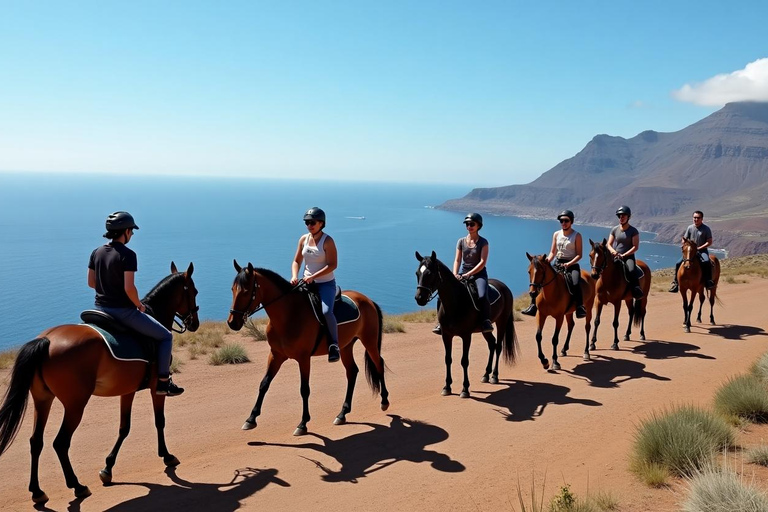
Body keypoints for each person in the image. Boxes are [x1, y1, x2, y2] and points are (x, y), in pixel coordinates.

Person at [88, 211, 183, 396]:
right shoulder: (128, 254)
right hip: (122, 311)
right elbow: (129, 288)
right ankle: (164, 382)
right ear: (126, 232)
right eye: (131, 231)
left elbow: (91, 283)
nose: (131, 234)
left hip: (99, 310)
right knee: (166, 336)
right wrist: (139, 305)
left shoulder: (96, 252)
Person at [290, 207, 340, 362]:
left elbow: (333, 265)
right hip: (306, 283)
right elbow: (296, 261)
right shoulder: (303, 239)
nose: (309, 225)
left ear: (321, 223)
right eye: (307, 222)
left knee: (326, 312)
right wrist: (294, 276)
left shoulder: (328, 241)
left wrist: (313, 276)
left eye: (312, 222)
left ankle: (334, 345)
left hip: (325, 284)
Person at [433, 213, 493, 335]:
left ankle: (486, 321)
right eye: (467, 224)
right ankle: (441, 323)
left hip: (479, 275)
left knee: (482, 295)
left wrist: (469, 274)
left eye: (472, 224)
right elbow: (457, 260)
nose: (469, 226)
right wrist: (454, 274)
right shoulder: (461, 241)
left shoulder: (483, 242)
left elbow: (482, 262)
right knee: (442, 295)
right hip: (463, 273)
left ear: (478, 226)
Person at [521, 210, 587, 318]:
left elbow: (579, 255)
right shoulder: (556, 234)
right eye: (561, 221)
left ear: (571, 222)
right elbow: (552, 252)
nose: (563, 223)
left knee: (575, 283)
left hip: (572, 265)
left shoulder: (577, 235)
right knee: (540, 278)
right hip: (558, 263)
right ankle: (533, 305)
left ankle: (580, 307)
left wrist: (568, 264)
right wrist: (547, 261)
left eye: (566, 221)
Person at [669, 210, 714, 292]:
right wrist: (684, 243)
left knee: (706, 261)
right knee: (678, 263)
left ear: (702, 219)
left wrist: (699, 248)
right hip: (690, 252)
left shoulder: (706, 229)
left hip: (702, 251)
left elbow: (709, 242)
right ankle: (676, 283)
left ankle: (708, 281)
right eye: (694, 217)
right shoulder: (690, 228)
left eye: (698, 218)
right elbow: (685, 238)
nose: (696, 219)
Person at [607, 205, 643, 299]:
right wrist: (614, 252)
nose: (621, 218)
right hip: (615, 255)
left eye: (623, 216)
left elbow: (635, 247)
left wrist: (624, 255)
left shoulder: (633, 231)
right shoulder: (614, 229)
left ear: (628, 217)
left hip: (628, 257)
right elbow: (609, 244)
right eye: (620, 216)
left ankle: (636, 289)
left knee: (631, 270)